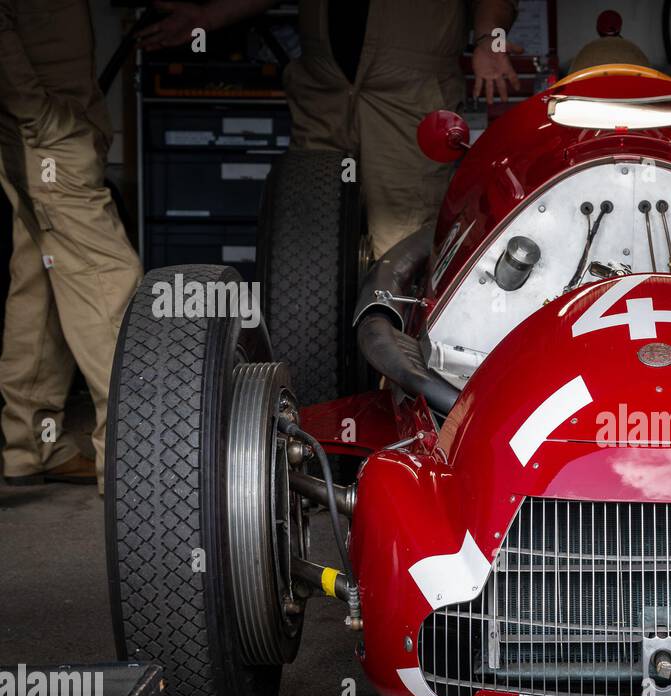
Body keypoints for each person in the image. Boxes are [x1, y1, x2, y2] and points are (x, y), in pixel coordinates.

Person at [140, 0, 520, 258]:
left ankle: (397, 373)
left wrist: (489, 39)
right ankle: (318, 368)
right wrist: (207, 18)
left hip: (409, 95)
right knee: (309, 238)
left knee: (400, 243)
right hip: (324, 90)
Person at [0, 0, 143, 489]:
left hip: (44, 132)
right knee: (109, 280)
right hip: (46, 134)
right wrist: (35, 113)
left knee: (40, 281)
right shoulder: (42, 118)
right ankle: (128, 459)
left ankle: (30, 446)